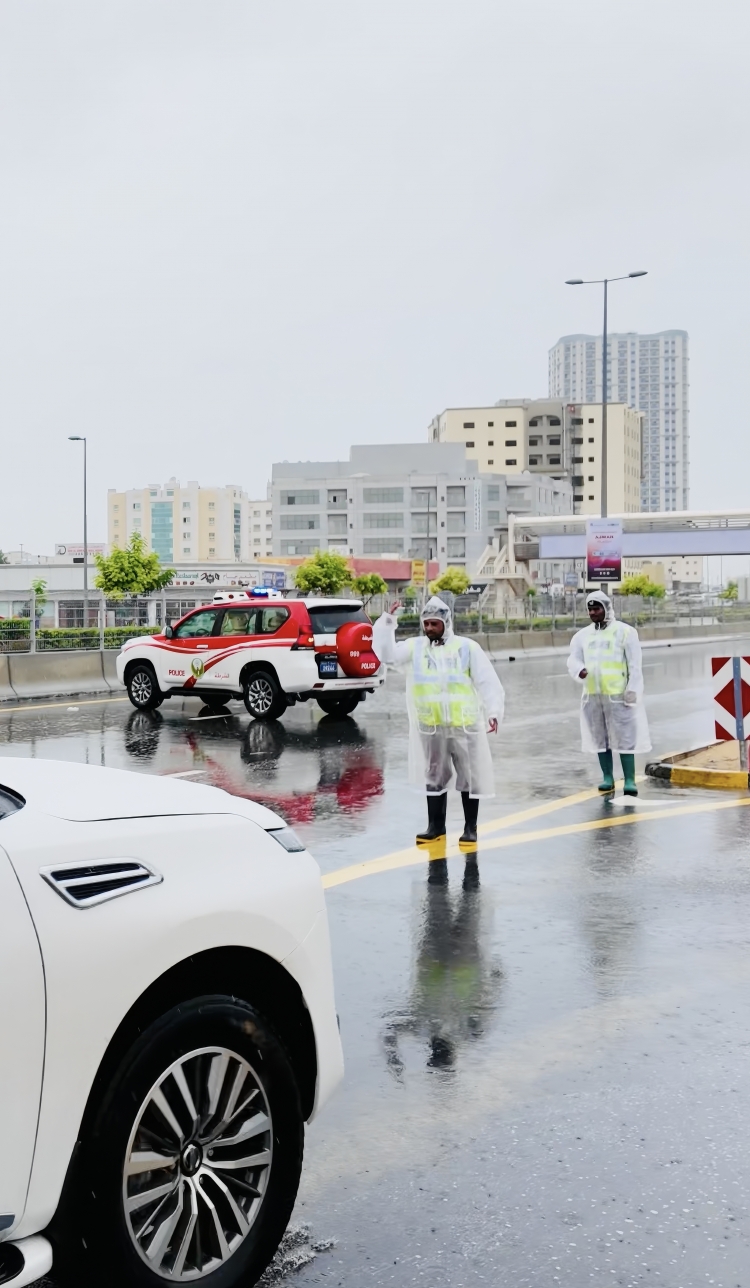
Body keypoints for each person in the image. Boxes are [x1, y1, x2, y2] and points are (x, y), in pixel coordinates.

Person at [372, 595, 504, 846]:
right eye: (426, 624)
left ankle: (470, 828)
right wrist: (388, 621)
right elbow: (387, 656)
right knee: (434, 775)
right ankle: (435, 827)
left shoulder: (466, 648)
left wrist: (494, 711)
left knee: (469, 776)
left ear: (446, 623)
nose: (430, 628)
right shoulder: (415, 648)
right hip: (431, 726)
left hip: (464, 725)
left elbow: (487, 681)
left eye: (435, 624)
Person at [567, 589, 651, 796]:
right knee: (600, 738)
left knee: (625, 737)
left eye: (597, 609)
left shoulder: (625, 632)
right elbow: (573, 659)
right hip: (593, 696)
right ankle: (608, 777)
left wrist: (633, 690)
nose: (593, 613)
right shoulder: (582, 636)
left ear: (606, 608)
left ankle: (629, 779)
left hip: (619, 696)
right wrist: (579, 670)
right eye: (590, 609)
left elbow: (635, 666)